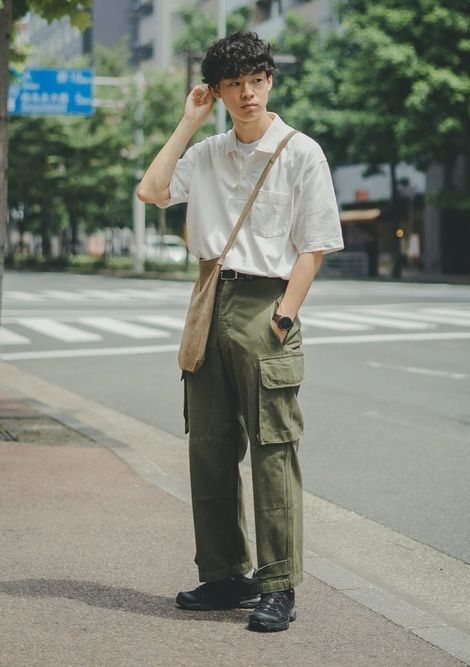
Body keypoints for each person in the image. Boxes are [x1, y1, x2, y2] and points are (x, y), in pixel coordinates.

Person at [137, 31, 343, 633]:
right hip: (209, 300)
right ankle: (226, 574)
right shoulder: (204, 154)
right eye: (234, 84)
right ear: (219, 91)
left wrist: (283, 316)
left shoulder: (302, 152)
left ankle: (278, 584)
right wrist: (187, 121)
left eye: (257, 80)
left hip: (265, 304)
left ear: (270, 81)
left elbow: (315, 244)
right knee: (209, 445)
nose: (248, 93)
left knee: (273, 451)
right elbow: (151, 190)